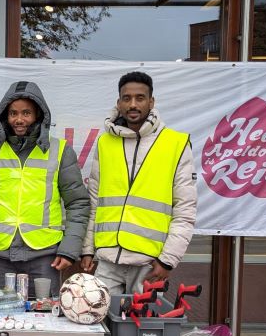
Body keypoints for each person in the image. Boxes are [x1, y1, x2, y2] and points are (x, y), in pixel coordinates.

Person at [0, 81, 90, 298]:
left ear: (38, 115)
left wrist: (69, 250)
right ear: (5, 115)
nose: (19, 119)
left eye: (26, 113)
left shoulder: (60, 151)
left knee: (44, 322)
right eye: (13, 113)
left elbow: (78, 203)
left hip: (44, 254)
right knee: (1, 319)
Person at [80, 71, 196, 293]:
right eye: (127, 98)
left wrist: (167, 260)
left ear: (151, 102)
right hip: (107, 261)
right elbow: (94, 202)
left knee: (144, 327)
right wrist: (87, 250)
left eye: (140, 98)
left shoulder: (176, 143)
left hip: (150, 265)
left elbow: (185, 210)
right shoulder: (105, 143)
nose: (133, 104)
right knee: (99, 325)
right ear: (119, 103)